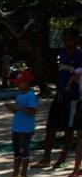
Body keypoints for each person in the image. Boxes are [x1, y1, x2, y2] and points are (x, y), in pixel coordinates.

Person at [33, 28, 82, 169]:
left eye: (69, 39)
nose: (66, 42)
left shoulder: (80, 55)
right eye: (64, 39)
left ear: (75, 40)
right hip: (59, 94)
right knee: (50, 126)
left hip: (73, 97)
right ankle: (46, 158)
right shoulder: (62, 54)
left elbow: (77, 75)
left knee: (69, 128)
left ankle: (62, 159)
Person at [4, 69, 37, 177]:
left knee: (24, 151)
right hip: (16, 127)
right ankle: (15, 173)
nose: (17, 84)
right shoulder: (19, 95)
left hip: (25, 129)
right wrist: (12, 108)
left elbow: (33, 111)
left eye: (19, 82)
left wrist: (17, 107)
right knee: (16, 151)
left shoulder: (31, 95)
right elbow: (17, 111)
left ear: (27, 82)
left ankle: (23, 175)